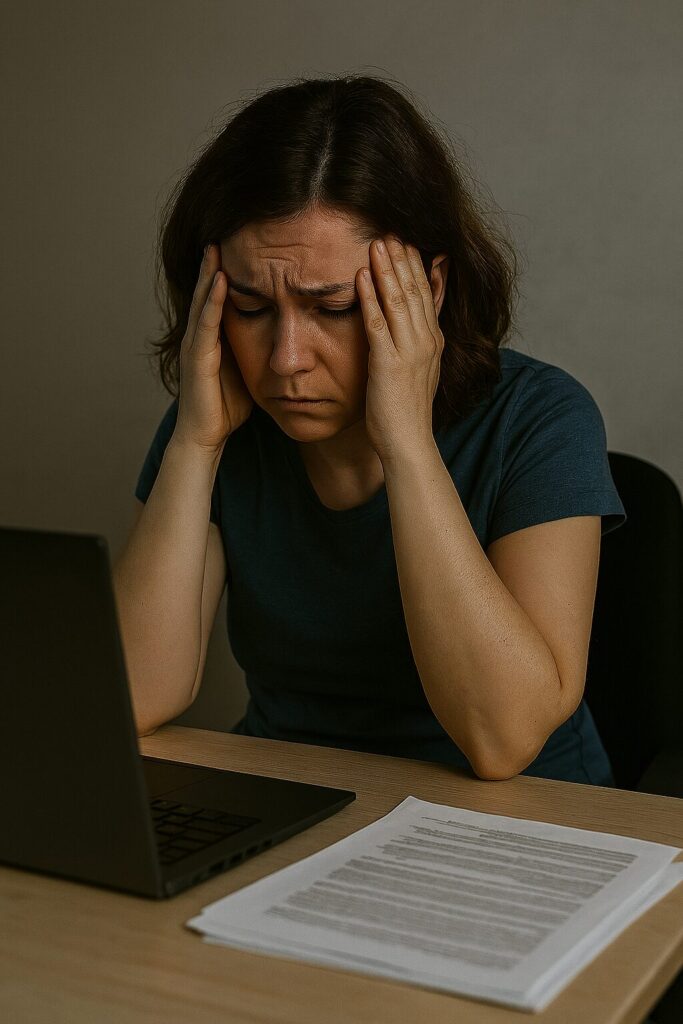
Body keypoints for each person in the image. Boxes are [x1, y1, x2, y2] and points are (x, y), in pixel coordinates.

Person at [113, 73, 626, 785]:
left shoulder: (539, 417)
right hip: (297, 804)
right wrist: (195, 447)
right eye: (253, 307)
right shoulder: (218, 424)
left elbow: (503, 740)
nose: (286, 361)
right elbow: (129, 700)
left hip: (523, 828)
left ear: (429, 290)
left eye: (333, 308)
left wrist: (406, 442)